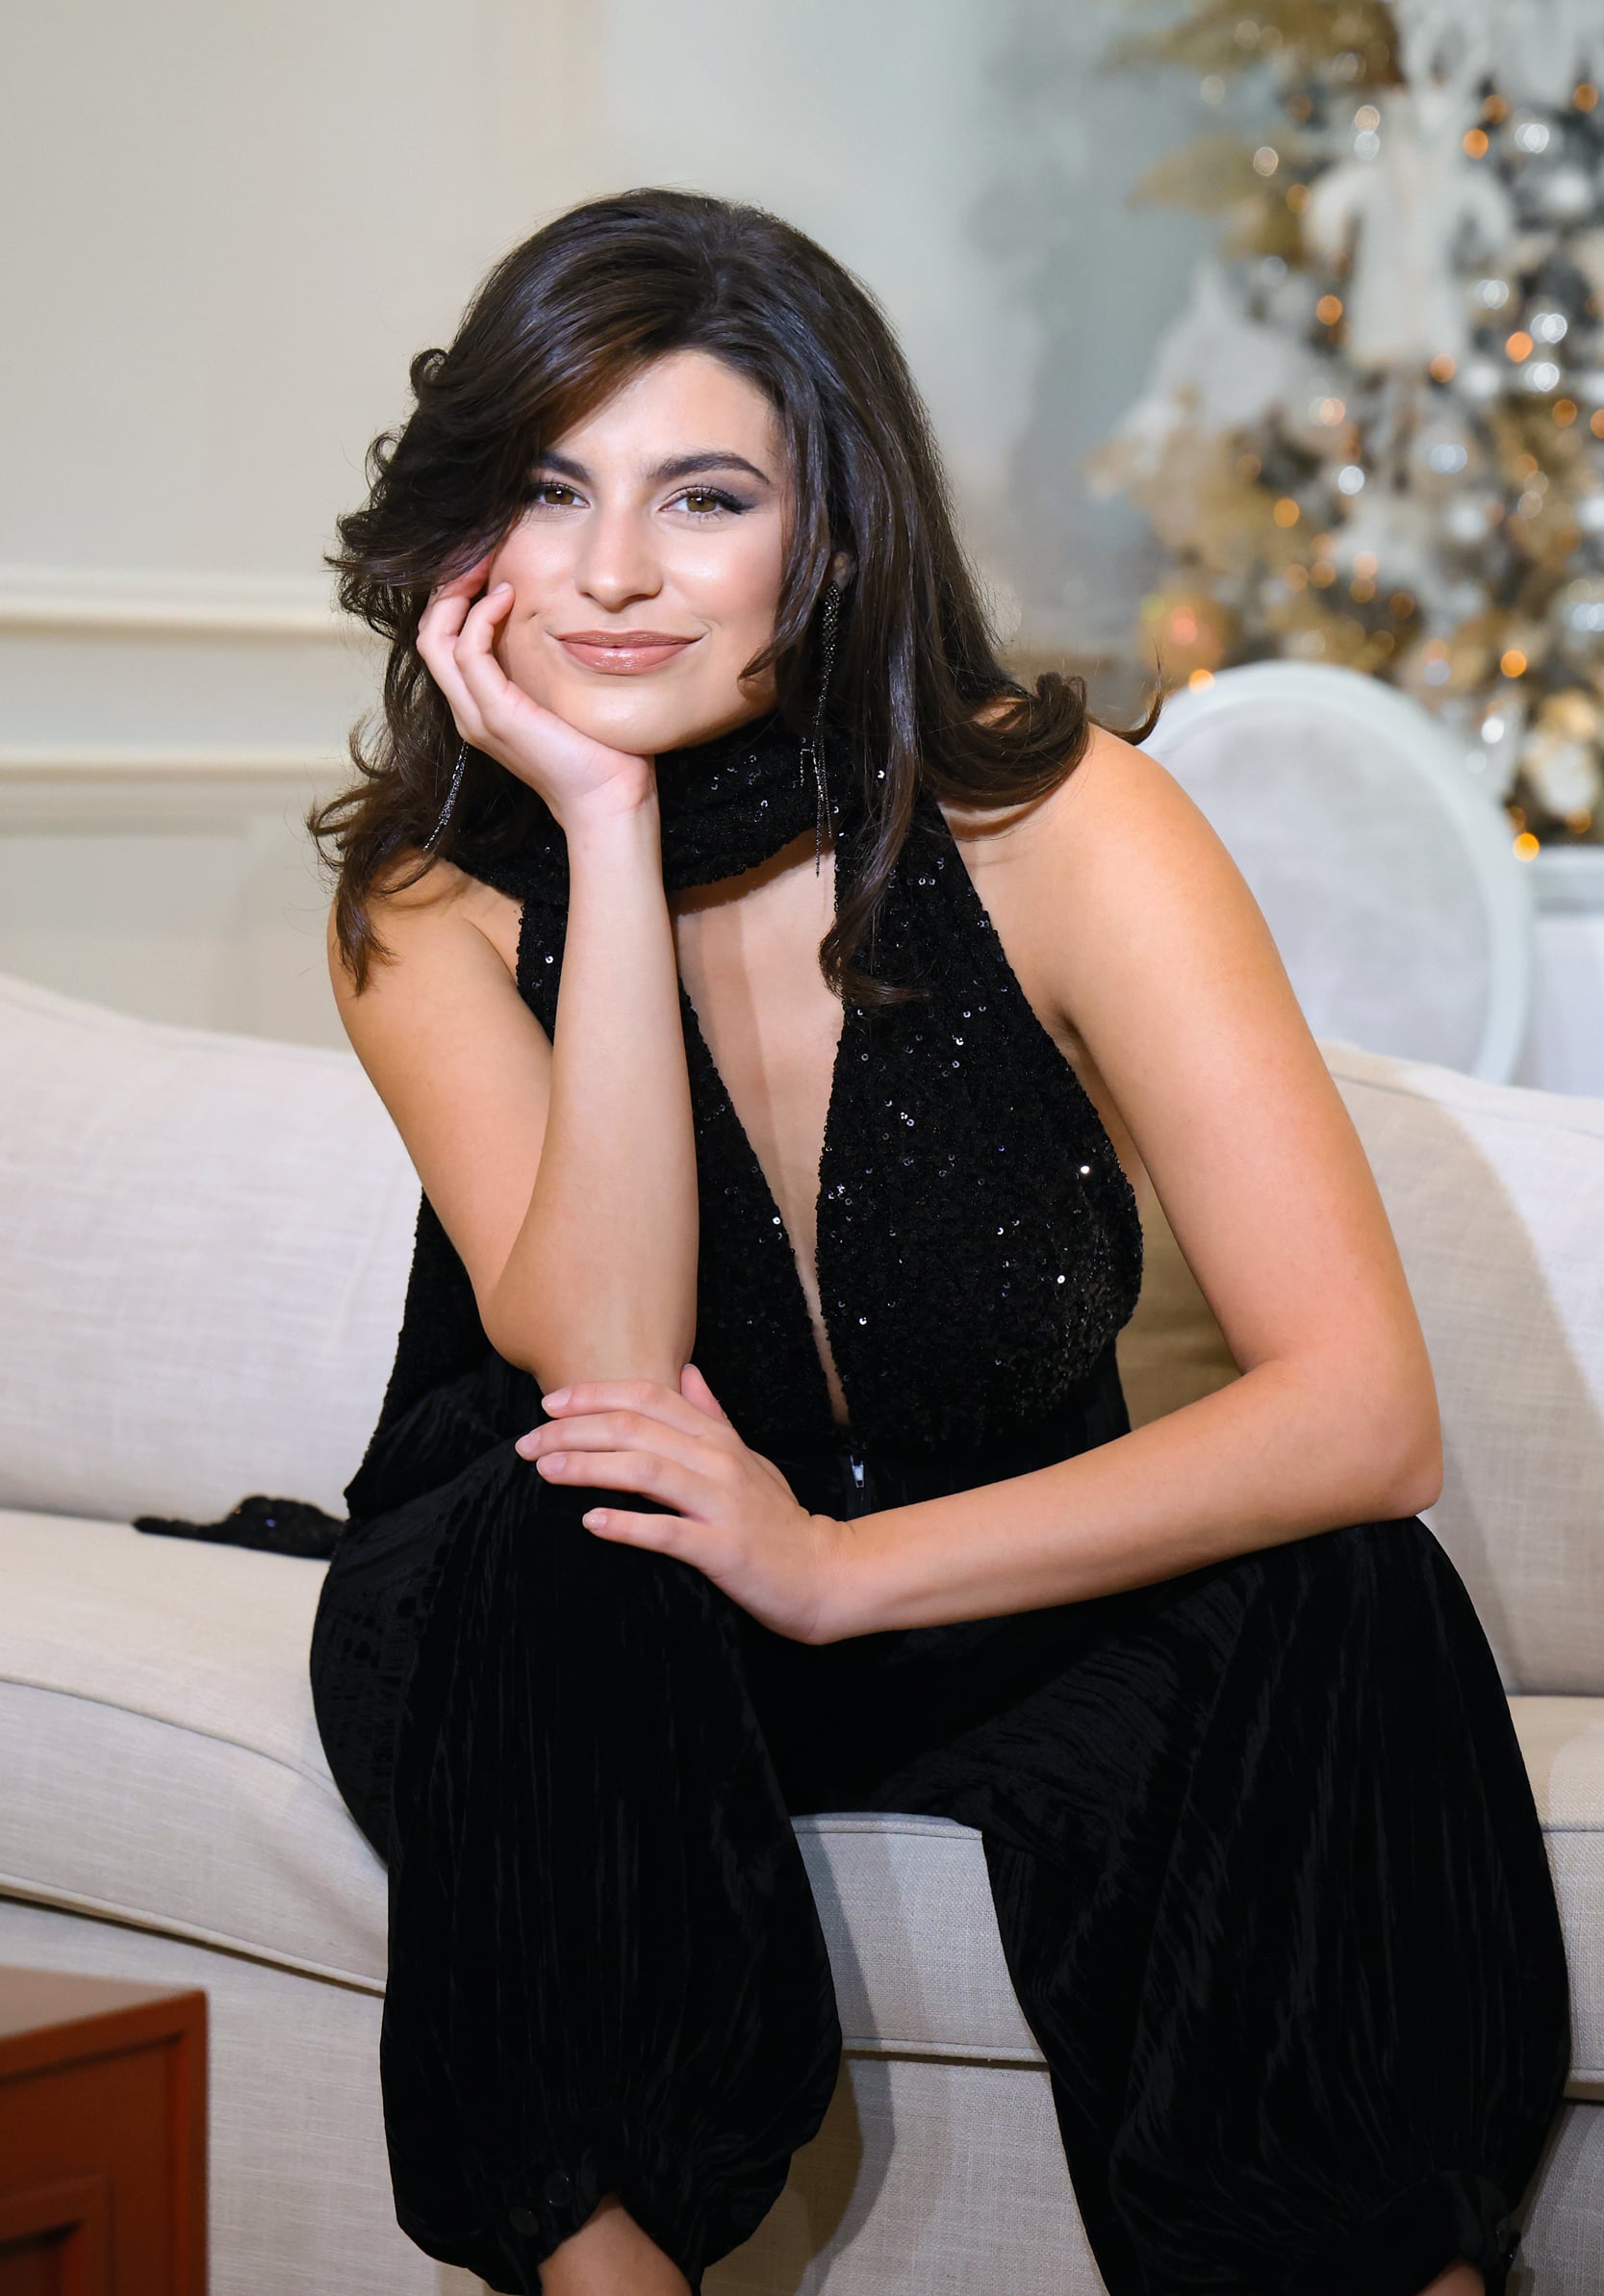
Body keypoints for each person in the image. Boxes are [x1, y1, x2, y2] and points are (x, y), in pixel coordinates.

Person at [307, 188, 1569, 2296]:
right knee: (581, 1504)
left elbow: (1366, 1416)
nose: (612, 571)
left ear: (829, 534)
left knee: (1345, 1592)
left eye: (704, 497)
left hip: (946, 1589)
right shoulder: (425, 909)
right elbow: (605, 1354)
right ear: (473, 543)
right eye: (552, 489)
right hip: (573, 1626)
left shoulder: (1069, 828)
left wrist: (835, 1568)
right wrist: (604, 833)